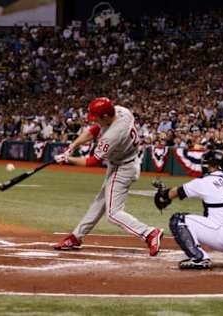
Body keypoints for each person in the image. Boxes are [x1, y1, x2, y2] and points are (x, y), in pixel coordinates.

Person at [53, 97, 164, 256]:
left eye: (97, 117)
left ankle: (149, 233)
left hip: (123, 168)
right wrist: (72, 146)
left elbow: (93, 162)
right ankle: (76, 236)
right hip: (124, 162)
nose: (94, 120)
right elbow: (94, 130)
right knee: (101, 201)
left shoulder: (113, 135)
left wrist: (67, 159)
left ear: (105, 116)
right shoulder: (120, 111)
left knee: (113, 213)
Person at [153, 149, 223, 269]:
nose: (205, 166)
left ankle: (199, 258)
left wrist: (163, 195)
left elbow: (174, 193)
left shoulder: (206, 181)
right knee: (222, 214)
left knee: (178, 219)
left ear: (215, 165)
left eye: (208, 164)